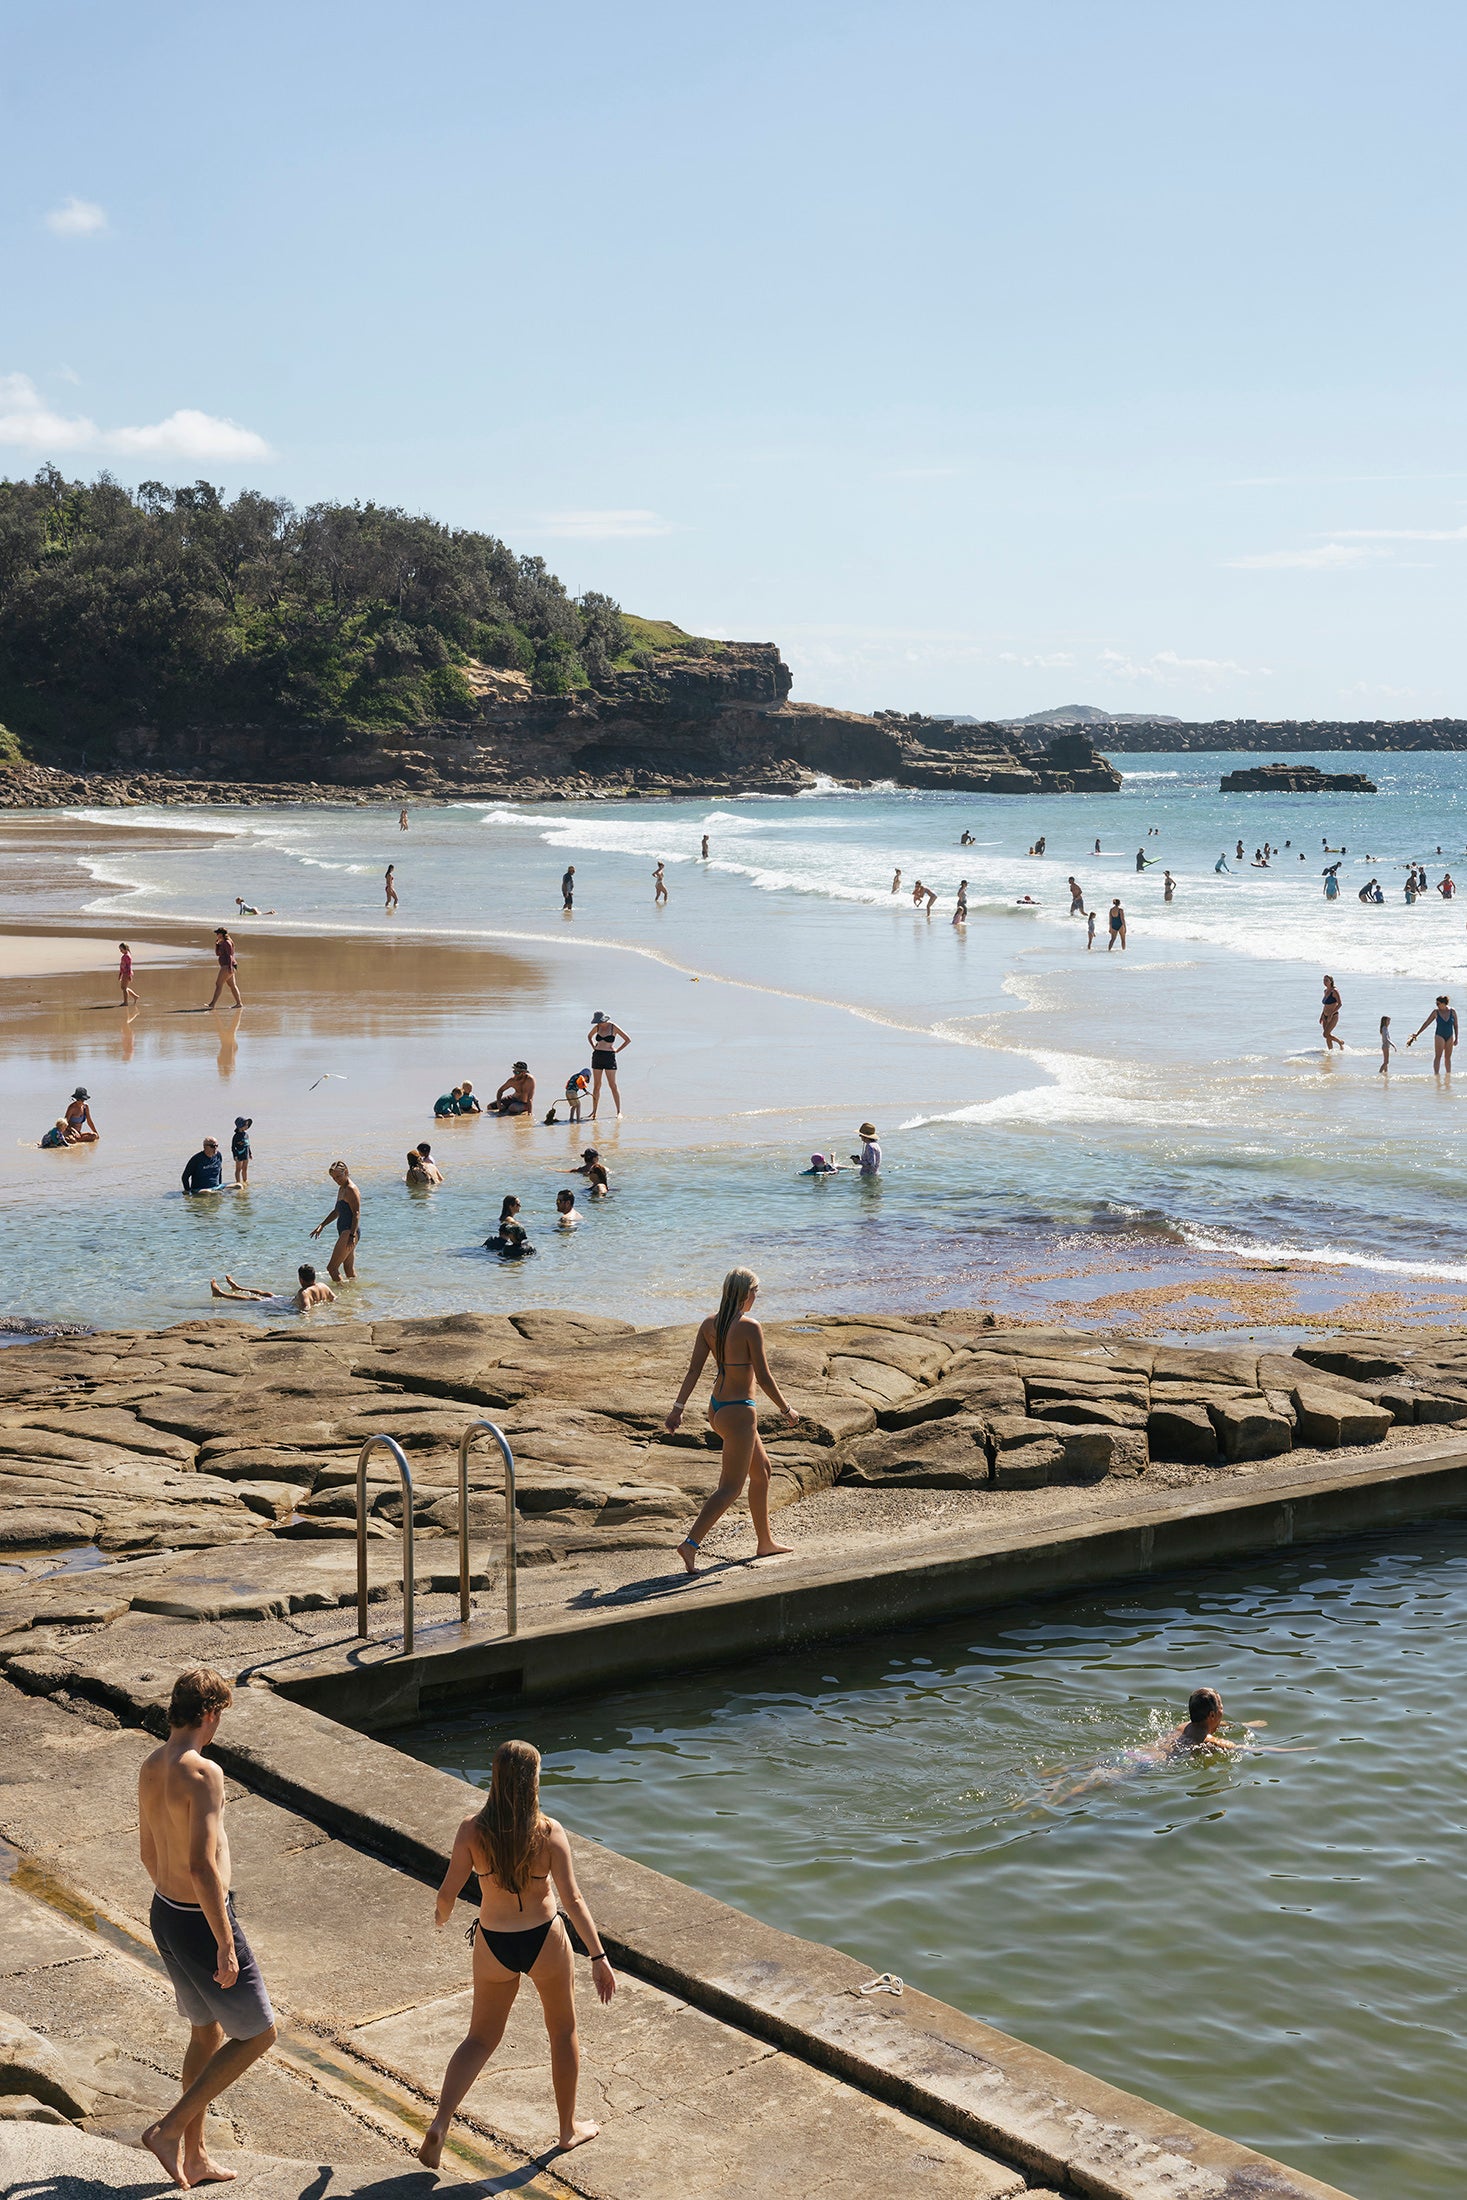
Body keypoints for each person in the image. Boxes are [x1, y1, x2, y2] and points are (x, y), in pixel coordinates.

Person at [418, 1739, 615, 2167]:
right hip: (543, 1939)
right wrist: (599, 1958)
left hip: (493, 1941)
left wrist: (439, 1916)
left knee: (480, 2038)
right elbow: (574, 1899)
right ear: (533, 1782)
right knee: (562, 2032)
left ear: (496, 1776)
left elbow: (448, 1893)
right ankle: (566, 2131)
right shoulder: (548, 1832)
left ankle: (440, 2122)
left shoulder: (471, 1829)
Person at [137, 1669, 278, 2188]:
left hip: (164, 1912)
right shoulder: (203, 1773)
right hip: (200, 1920)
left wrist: (176, 1906)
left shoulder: (152, 1765)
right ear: (212, 1714)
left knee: (206, 2032)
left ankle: (194, 2156)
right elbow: (202, 1866)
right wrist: (223, 1940)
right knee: (259, 2034)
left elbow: (149, 1852)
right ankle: (170, 2130)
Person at [666, 1268, 798, 1574]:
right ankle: (690, 1544)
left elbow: (693, 1371)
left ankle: (764, 1542)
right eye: (756, 1292)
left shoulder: (709, 1324)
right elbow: (764, 1377)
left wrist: (678, 1408)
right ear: (746, 1293)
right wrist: (786, 1409)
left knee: (763, 1471)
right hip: (739, 1412)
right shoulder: (750, 1327)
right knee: (730, 1487)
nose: (756, 1297)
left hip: (718, 1408)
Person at [311, 1160, 360, 1281]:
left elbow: (356, 1214)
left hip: (349, 1231)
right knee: (348, 1268)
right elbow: (337, 1211)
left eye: (339, 1176)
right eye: (334, 1178)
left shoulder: (350, 1189)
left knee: (332, 1268)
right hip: (346, 1231)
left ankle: (340, 1296)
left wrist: (352, 1235)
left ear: (346, 1172)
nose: (337, 1180)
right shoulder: (342, 1188)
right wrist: (322, 1225)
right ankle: (354, 1295)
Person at [211, 1265, 336, 1310]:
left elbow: (305, 1309)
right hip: (288, 1301)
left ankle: (221, 1294)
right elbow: (334, 1299)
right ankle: (238, 1288)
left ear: (301, 1279)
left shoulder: (304, 1292)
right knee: (269, 1294)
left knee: (257, 1299)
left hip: (286, 1306)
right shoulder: (323, 1285)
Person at [587, 1011, 629, 1117]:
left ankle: (619, 1111)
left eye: (600, 1021)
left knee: (612, 1085)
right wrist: (593, 1047)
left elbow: (627, 1040)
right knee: (597, 1086)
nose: (599, 1023)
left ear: (604, 1020)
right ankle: (594, 1112)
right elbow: (589, 1036)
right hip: (597, 1056)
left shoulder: (613, 1027)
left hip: (609, 1057)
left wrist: (617, 1050)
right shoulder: (597, 1027)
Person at [1408, 994, 1458, 1073]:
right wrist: (1417, 1033)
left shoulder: (1452, 1011)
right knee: (1438, 1056)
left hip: (1450, 1036)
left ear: (1444, 1003)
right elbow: (1427, 1023)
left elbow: (1455, 1025)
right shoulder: (1436, 1012)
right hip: (1439, 1035)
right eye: (1436, 1004)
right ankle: (1436, 1075)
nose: (1437, 1005)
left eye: (1438, 1004)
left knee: (1448, 1057)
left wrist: (1456, 1038)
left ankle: (1448, 1075)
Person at [206, 929, 242, 1011]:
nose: (216, 935)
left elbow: (230, 955)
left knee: (218, 984)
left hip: (227, 966)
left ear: (221, 934)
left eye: (217, 933)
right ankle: (239, 1003)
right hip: (227, 966)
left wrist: (230, 967)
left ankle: (212, 1004)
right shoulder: (222, 943)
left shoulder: (227, 942)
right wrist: (217, 945)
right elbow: (217, 954)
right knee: (232, 985)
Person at [1320, 975, 1343, 1051]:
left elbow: (1340, 1004)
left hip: (1333, 1016)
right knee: (1327, 1036)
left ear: (1331, 981)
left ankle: (1339, 1042)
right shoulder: (1325, 991)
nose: (1325, 982)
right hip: (1325, 1016)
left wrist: (1331, 1014)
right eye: (1324, 980)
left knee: (1325, 1034)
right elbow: (1325, 1005)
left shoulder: (1334, 991)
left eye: (1326, 980)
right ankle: (1331, 1052)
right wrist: (1321, 1015)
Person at [231, 1116, 252, 1187]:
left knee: (245, 1168)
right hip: (239, 1154)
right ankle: (238, 1182)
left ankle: (245, 1180)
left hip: (246, 1154)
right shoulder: (236, 1136)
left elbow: (248, 1145)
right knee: (238, 1169)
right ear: (240, 1126)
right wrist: (235, 1155)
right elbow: (233, 1147)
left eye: (247, 1125)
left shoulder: (246, 1135)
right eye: (245, 1125)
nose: (247, 1126)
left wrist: (250, 1153)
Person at [118, 941, 139, 1006]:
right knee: (124, 987)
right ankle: (135, 996)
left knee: (124, 988)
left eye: (121, 950)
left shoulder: (127, 956)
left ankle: (126, 1002)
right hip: (124, 973)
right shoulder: (124, 956)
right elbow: (122, 966)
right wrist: (120, 974)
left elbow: (129, 966)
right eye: (120, 950)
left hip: (127, 973)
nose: (120, 951)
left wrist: (129, 975)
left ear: (125, 949)